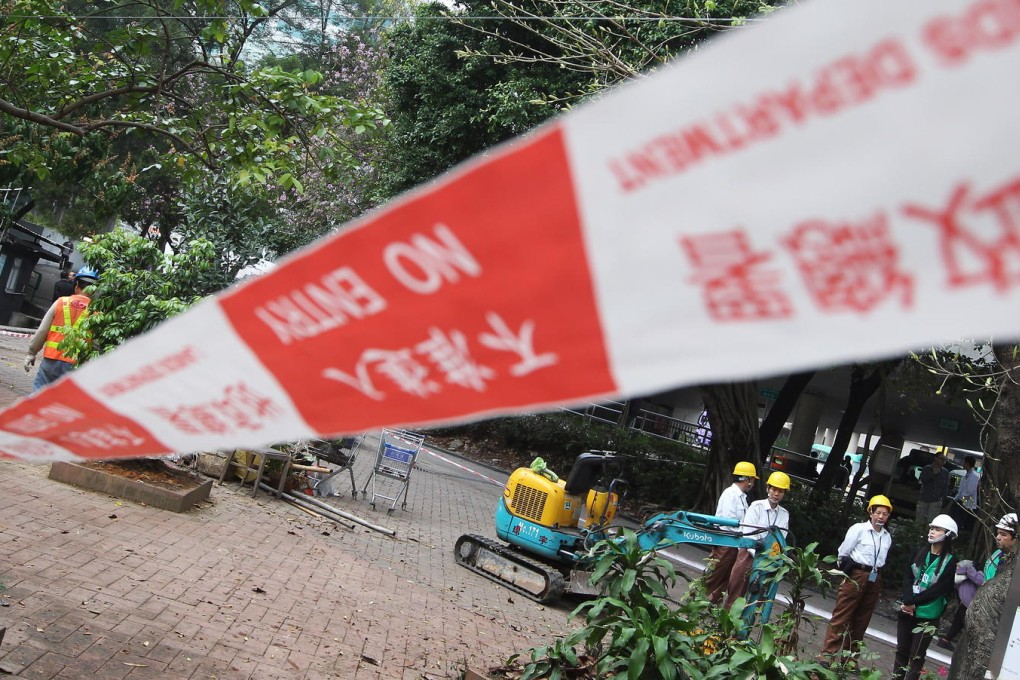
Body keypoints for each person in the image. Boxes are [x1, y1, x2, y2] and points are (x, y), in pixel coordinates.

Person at [820, 495, 894, 663]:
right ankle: (827, 655)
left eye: (885, 514)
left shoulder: (887, 536)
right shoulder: (858, 529)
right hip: (857, 573)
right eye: (878, 513)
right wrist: (845, 571)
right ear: (871, 513)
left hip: (875, 576)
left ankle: (850, 660)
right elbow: (843, 552)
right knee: (842, 615)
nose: (881, 517)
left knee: (862, 619)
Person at [947, 516, 1018, 680]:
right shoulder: (998, 554)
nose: (998, 537)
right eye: (998, 533)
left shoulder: (1013, 564)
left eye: (1003, 534)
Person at [892, 514, 959, 680]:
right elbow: (907, 576)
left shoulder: (951, 561)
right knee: (902, 650)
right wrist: (907, 601)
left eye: (937, 529)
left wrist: (913, 602)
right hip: (907, 609)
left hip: (928, 614)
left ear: (948, 534)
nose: (932, 532)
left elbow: (939, 589)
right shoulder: (918, 551)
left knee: (917, 655)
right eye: (931, 528)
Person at [24, 268, 99, 391]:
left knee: (38, 396)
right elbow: (96, 344)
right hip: (76, 364)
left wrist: (31, 353)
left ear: (76, 285)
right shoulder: (96, 312)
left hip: (51, 359)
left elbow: (42, 330)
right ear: (94, 289)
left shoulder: (61, 302)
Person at [724, 470, 791, 608]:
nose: (776, 494)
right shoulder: (756, 507)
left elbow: (780, 540)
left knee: (757, 599)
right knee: (735, 594)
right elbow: (749, 536)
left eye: (781, 491)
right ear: (768, 489)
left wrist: (772, 560)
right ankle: (723, 626)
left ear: (784, 494)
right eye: (774, 489)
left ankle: (745, 627)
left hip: (769, 561)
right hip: (749, 555)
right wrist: (761, 556)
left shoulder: (785, 514)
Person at [704, 461, 758, 604]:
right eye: (752, 479)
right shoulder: (731, 495)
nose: (752, 483)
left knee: (725, 580)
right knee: (715, 576)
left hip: (734, 544)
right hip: (725, 542)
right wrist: (744, 533)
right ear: (746, 480)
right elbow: (728, 522)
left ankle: (711, 605)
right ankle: (696, 602)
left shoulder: (742, 497)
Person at [916, 453, 950, 526]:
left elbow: (945, 487)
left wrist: (943, 499)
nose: (943, 461)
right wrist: (933, 474)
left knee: (931, 521)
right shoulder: (927, 468)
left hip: (936, 500)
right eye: (941, 459)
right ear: (936, 458)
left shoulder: (945, 472)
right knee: (919, 520)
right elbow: (922, 480)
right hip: (924, 498)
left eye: (944, 460)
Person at [949, 456, 979, 534]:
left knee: (961, 523)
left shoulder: (974, 476)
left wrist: (961, 500)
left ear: (967, 463)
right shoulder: (965, 475)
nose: (963, 464)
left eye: (964, 462)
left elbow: (970, 492)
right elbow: (960, 491)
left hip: (967, 505)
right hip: (961, 502)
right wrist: (955, 500)